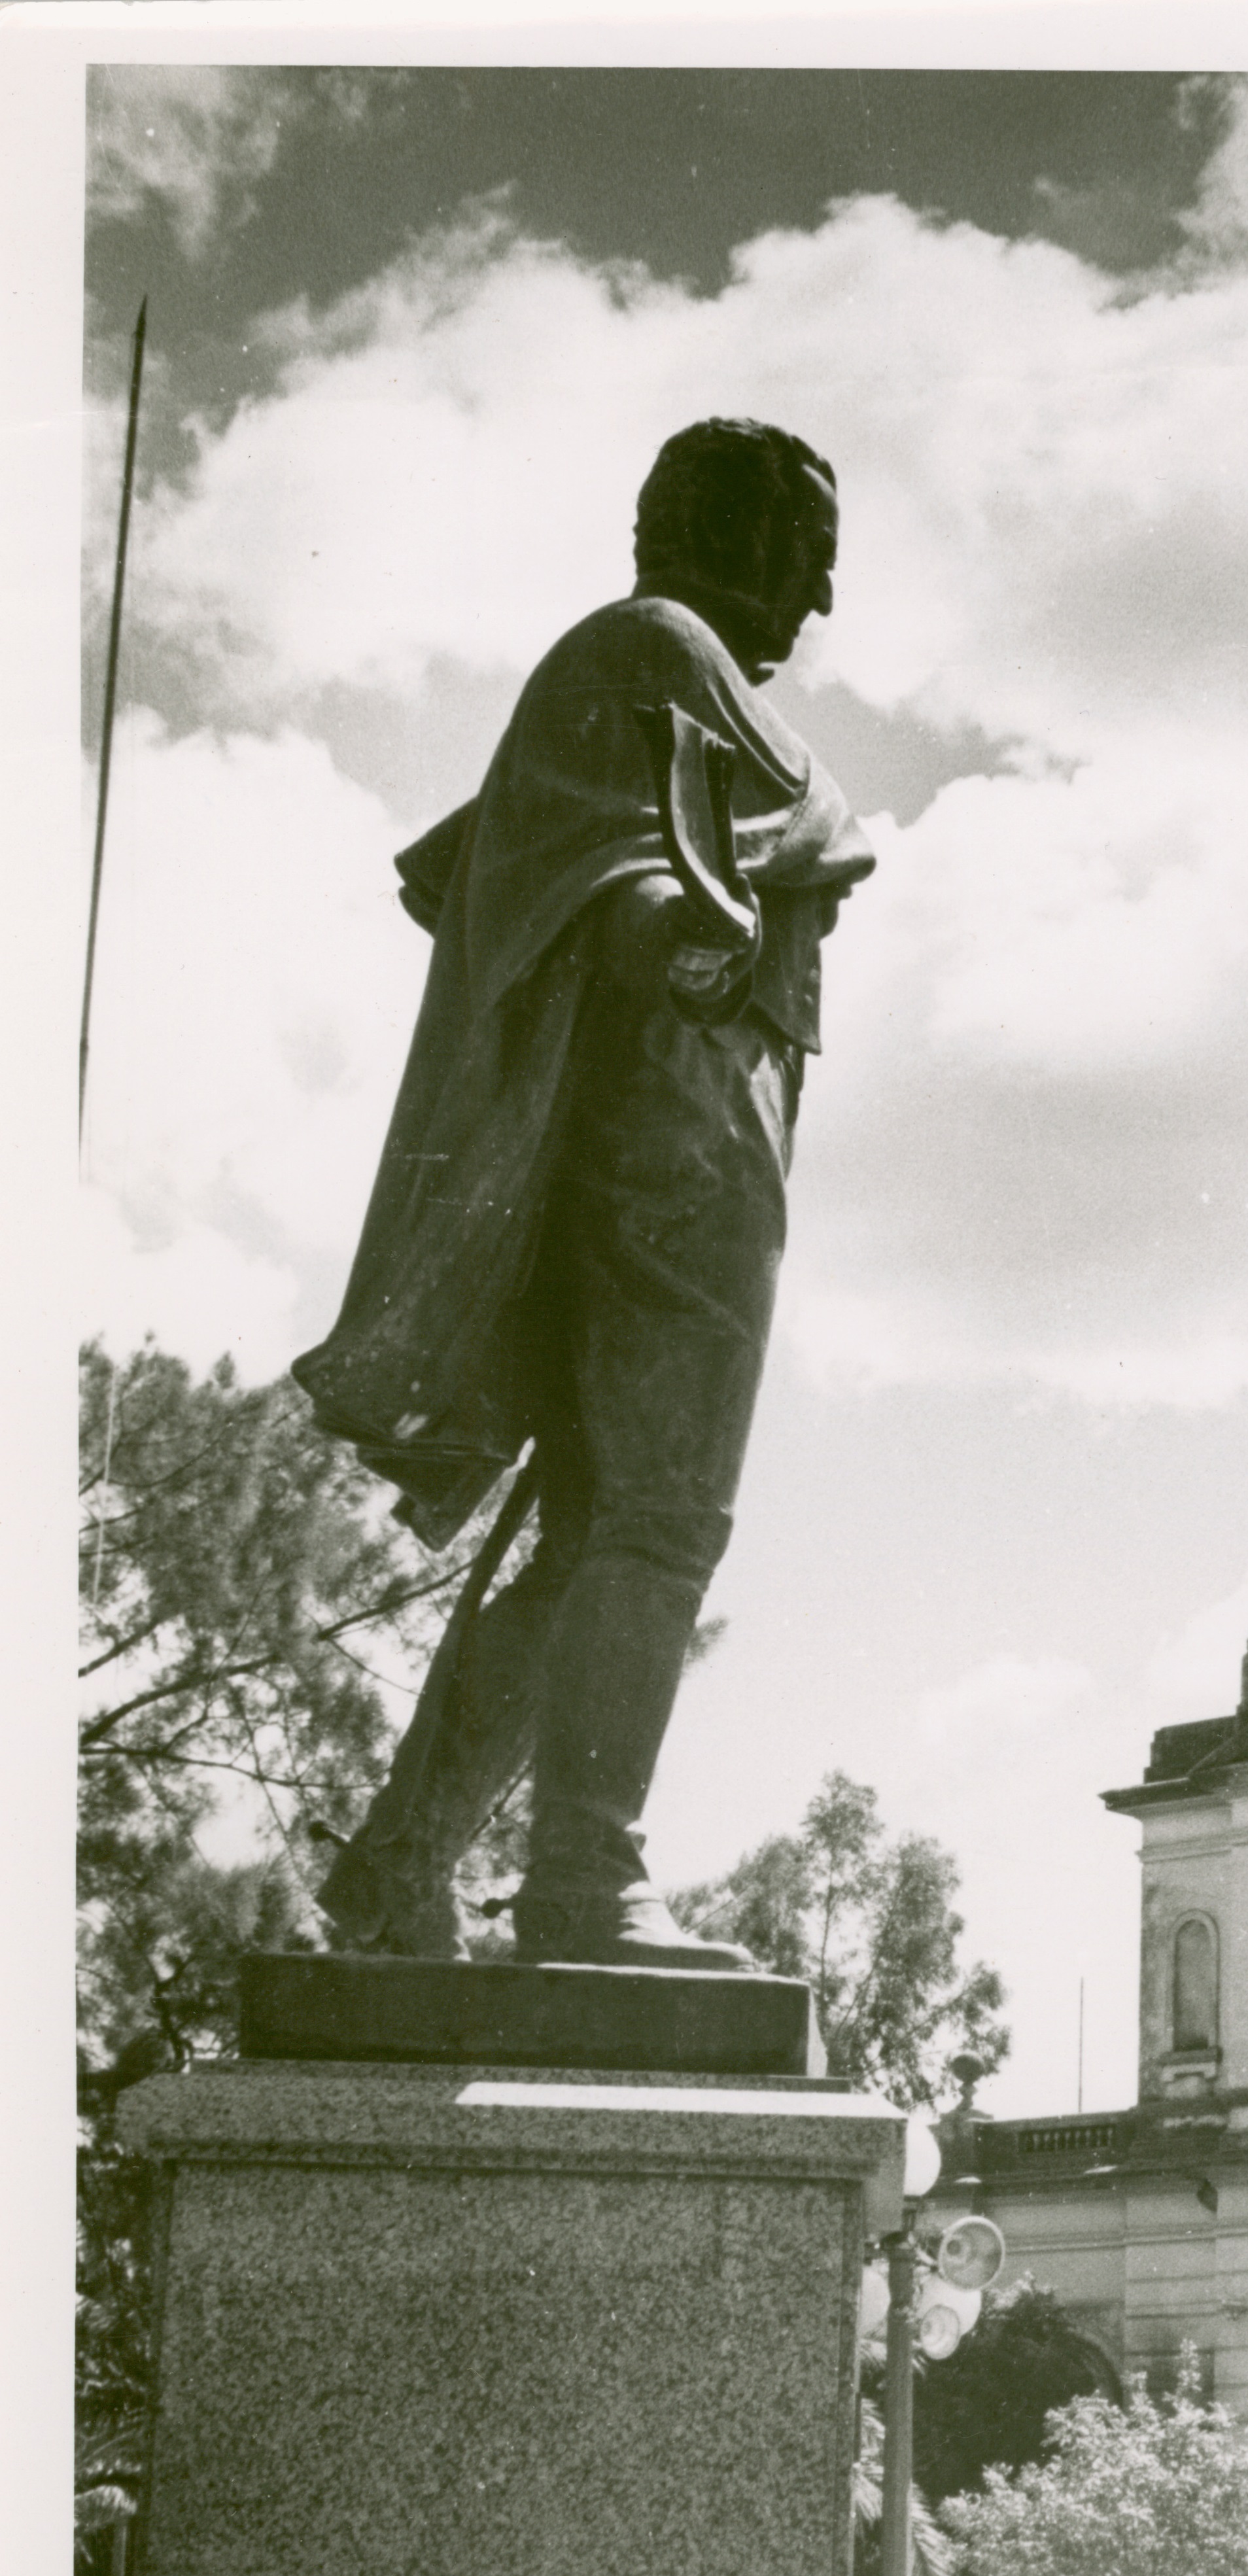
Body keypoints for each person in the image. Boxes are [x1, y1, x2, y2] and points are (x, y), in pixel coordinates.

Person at [294, 417, 873, 1969]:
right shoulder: (655, 647)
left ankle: (399, 1865)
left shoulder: (652, 666)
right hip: (678, 1129)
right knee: (665, 1519)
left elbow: (513, 850)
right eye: (808, 556)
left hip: (674, 1121)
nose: (819, 599)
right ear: (742, 537)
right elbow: (602, 868)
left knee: (595, 1530)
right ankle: (582, 1884)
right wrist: (673, 938)